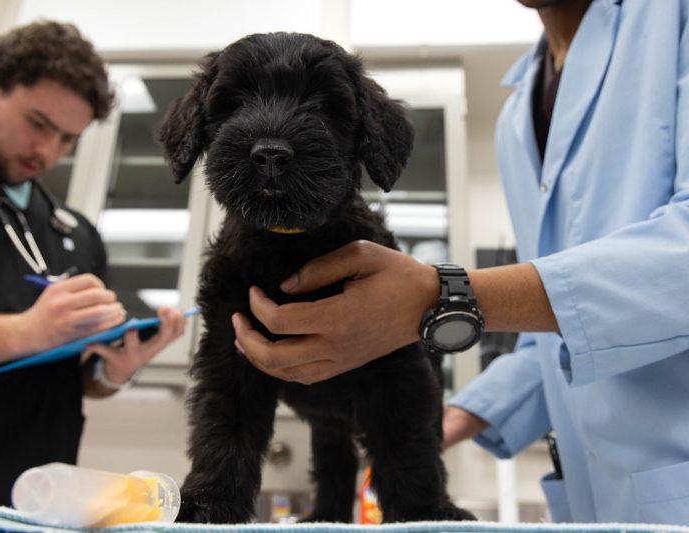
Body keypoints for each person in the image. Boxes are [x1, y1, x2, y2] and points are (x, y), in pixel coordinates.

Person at [231, 0, 689, 525]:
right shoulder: (520, 110)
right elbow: (569, 326)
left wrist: (442, 296)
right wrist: (452, 417)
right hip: (603, 499)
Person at [0, 21, 187, 506]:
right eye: (38, 124)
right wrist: (27, 332)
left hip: (38, 507)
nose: (48, 151)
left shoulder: (75, 231)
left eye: (67, 139)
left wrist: (114, 371)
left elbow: (81, 381)